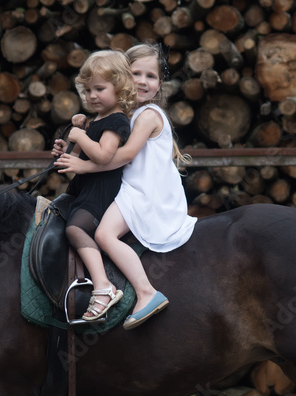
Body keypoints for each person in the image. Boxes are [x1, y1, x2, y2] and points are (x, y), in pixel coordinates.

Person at [54, 44, 196, 330]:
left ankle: (145, 292)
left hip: (146, 191)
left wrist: (84, 166)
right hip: (127, 187)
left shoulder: (148, 115)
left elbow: (125, 155)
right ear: (121, 79)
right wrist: (72, 148)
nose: (142, 81)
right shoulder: (124, 114)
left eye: (151, 76)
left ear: (160, 84)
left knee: (105, 234)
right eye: (135, 74)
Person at [57, 50, 135, 321]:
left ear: (120, 87)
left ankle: (103, 286)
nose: (91, 96)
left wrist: (81, 135)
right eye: (88, 90)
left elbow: (103, 155)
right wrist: (67, 148)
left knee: (75, 229)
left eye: (99, 89)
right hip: (85, 189)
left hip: (102, 192)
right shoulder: (96, 121)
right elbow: (79, 159)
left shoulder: (117, 121)